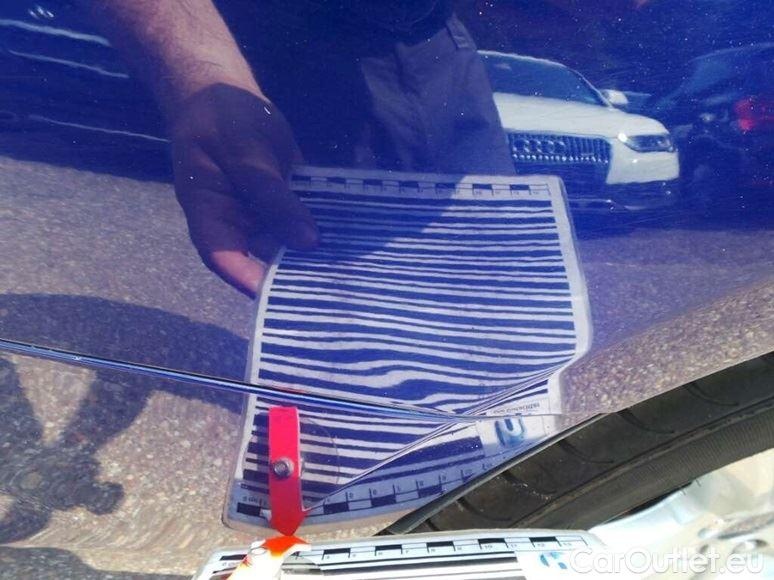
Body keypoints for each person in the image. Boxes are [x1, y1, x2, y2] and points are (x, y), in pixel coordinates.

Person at [81, 1, 514, 297]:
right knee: (326, 306)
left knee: (495, 280)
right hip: (276, 48)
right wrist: (205, 77)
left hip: (435, 43)